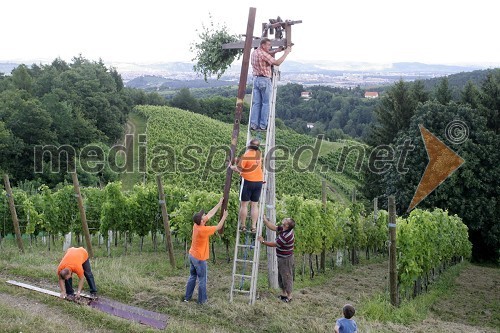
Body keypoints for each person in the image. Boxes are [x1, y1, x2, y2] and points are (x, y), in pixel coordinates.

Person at [184, 197, 228, 304]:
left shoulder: (196, 224)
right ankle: (202, 301)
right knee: (202, 279)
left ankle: (187, 298)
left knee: (192, 276)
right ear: (202, 221)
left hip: (192, 255)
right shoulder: (203, 230)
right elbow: (218, 227)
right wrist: (224, 217)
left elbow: (210, 213)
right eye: (203, 216)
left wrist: (219, 204)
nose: (205, 215)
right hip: (199, 258)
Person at [250, 38, 291, 131]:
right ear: (263, 45)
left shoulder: (255, 52)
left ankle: (253, 124)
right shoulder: (263, 54)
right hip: (264, 80)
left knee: (256, 103)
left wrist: (277, 50)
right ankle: (263, 125)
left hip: (256, 79)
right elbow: (276, 62)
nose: (269, 47)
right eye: (268, 45)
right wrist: (286, 53)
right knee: (265, 103)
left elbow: (266, 55)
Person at [229, 138, 263, 233]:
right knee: (254, 205)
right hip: (259, 182)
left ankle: (243, 226)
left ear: (249, 145)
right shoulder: (259, 155)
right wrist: (239, 160)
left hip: (248, 181)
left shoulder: (246, 155)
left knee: (244, 205)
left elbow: (239, 169)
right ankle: (253, 226)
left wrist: (231, 167)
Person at [257, 216, 295, 302]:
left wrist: (263, 241)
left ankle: (289, 297)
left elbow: (275, 244)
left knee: (286, 276)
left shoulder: (286, 235)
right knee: (281, 276)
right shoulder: (284, 229)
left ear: (287, 225)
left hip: (286, 259)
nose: (285, 219)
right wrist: (265, 221)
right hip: (282, 257)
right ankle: (283, 294)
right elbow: (274, 227)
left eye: (286, 220)